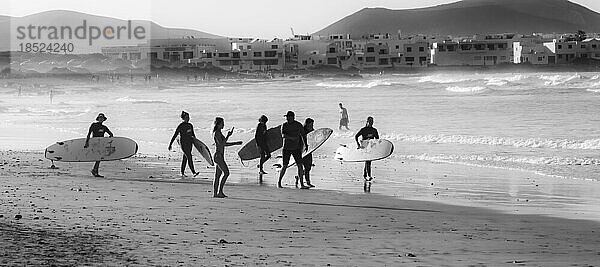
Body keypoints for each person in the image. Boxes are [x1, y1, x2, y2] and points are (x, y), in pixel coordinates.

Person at [212, 117, 243, 198]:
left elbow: (224, 144)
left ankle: (216, 194)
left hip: (219, 156)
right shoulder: (217, 133)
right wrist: (228, 136)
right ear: (218, 124)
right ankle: (220, 192)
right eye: (222, 123)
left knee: (218, 175)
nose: (223, 125)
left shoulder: (218, 132)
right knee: (226, 173)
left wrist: (235, 143)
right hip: (218, 156)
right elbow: (222, 144)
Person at [278, 111, 309, 189]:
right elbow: (283, 135)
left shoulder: (298, 125)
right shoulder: (284, 125)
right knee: (285, 165)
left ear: (293, 117)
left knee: (300, 165)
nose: (287, 118)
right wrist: (291, 138)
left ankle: (302, 184)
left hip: (296, 148)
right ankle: (279, 182)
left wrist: (306, 145)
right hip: (286, 148)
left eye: (289, 117)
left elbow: (303, 135)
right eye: (287, 117)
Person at [168, 111, 199, 178]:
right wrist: (170, 144)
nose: (188, 118)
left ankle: (182, 173)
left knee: (185, 158)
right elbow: (175, 135)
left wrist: (197, 143)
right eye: (187, 117)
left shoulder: (190, 125)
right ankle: (193, 172)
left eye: (189, 117)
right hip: (183, 144)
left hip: (189, 143)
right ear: (183, 118)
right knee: (189, 156)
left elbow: (193, 135)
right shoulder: (181, 126)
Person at [84, 113, 113, 178]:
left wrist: (108, 141)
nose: (101, 119)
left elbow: (111, 134)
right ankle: (95, 171)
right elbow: (89, 134)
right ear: (98, 118)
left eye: (102, 118)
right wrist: (87, 142)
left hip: (101, 144)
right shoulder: (93, 125)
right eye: (100, 117)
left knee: (99, 158)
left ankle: (95, 170)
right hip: (94, 143)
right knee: (98, 157)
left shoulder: (104, 127)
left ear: (103, 119)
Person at [355, 116, 379, 181]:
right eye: (370, 121)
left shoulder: (374, 130)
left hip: (370, 146)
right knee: (368, 160)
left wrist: (375, 146)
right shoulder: (363, 129)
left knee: (368, 161)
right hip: (364, 145)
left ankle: (365, 175)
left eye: (372, 121)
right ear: (367, 122)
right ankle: (368, 175)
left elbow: (377, 139)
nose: (371, 123)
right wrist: (358, 145)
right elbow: (356, 136)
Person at [301, 118, 315, 187]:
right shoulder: (302, 131)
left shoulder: (312, 131)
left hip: (309, 151)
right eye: (311, 124)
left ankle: (300, 178)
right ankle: (307, 182)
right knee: (305, 167)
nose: (312, 125)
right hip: (303, 151)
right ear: (307, 124)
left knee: (308, 167)